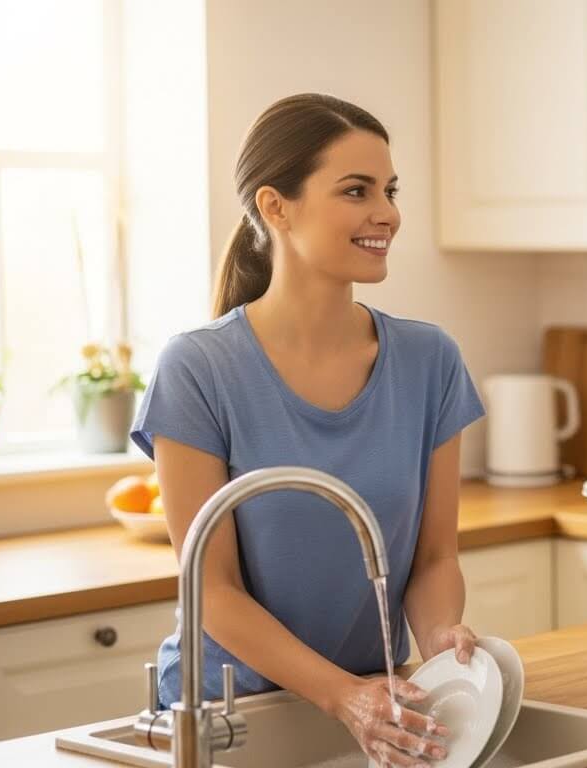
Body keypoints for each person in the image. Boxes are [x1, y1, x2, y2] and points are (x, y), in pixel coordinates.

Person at [131, 93, 484, 768]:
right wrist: (341, 696)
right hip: (226, 715)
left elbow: (434, 556)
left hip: (367, 706)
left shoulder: (429, 359)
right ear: (275, 206)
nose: (387, 213)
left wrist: (441, 638)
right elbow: (214, 589)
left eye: (389, 189)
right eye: (356, 191)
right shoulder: (199, 367)